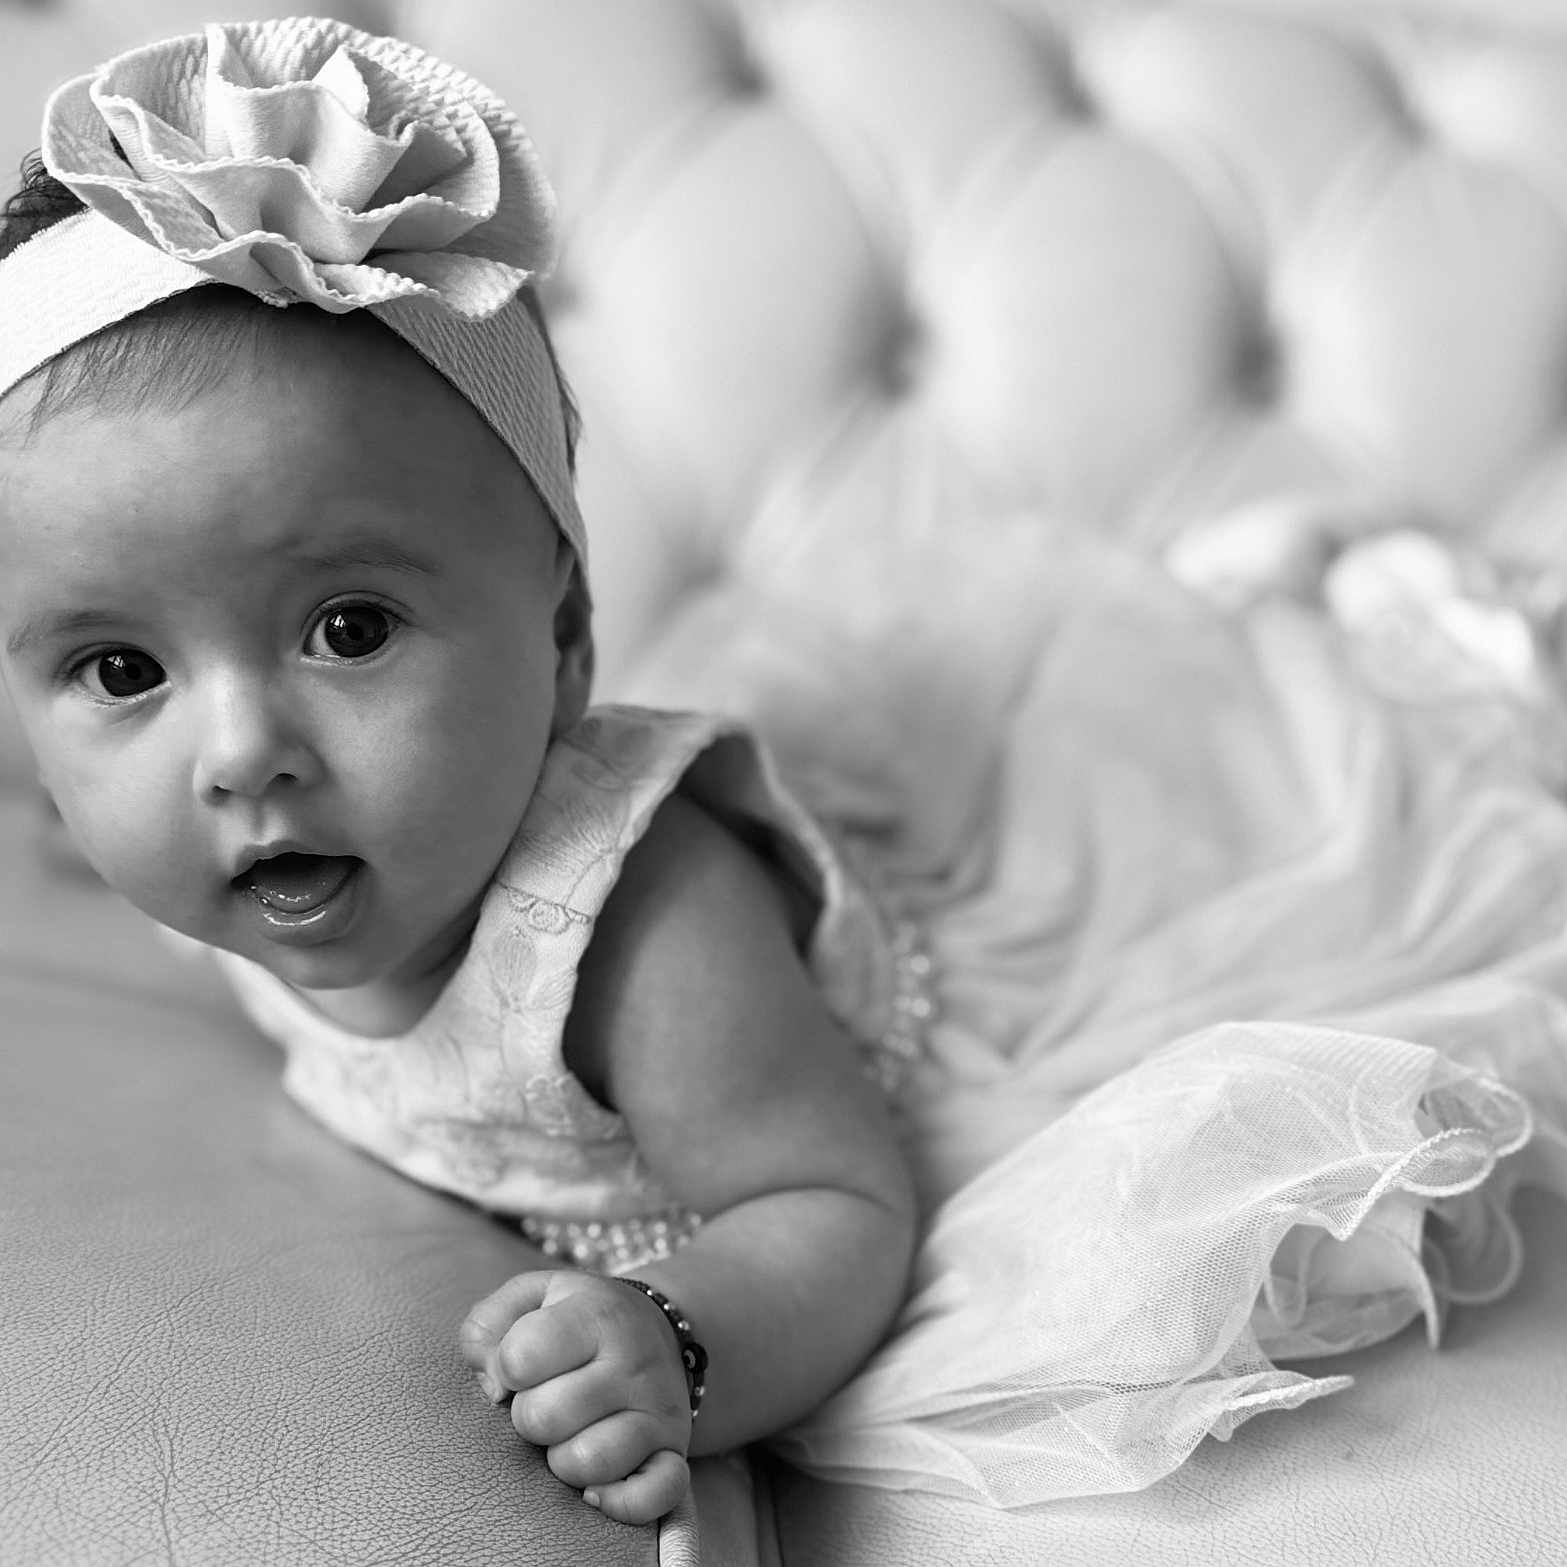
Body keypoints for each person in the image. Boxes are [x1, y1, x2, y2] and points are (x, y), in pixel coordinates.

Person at [1, 15, 1563, 1530]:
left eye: (348, 629)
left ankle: (1406, 635)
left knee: (1327, 761)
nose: (241, 753)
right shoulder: (259, 844)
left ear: (564, 639)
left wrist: (674, 1342)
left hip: (992, 999)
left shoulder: (638, 927)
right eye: (119, 673)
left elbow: (835, 1208)